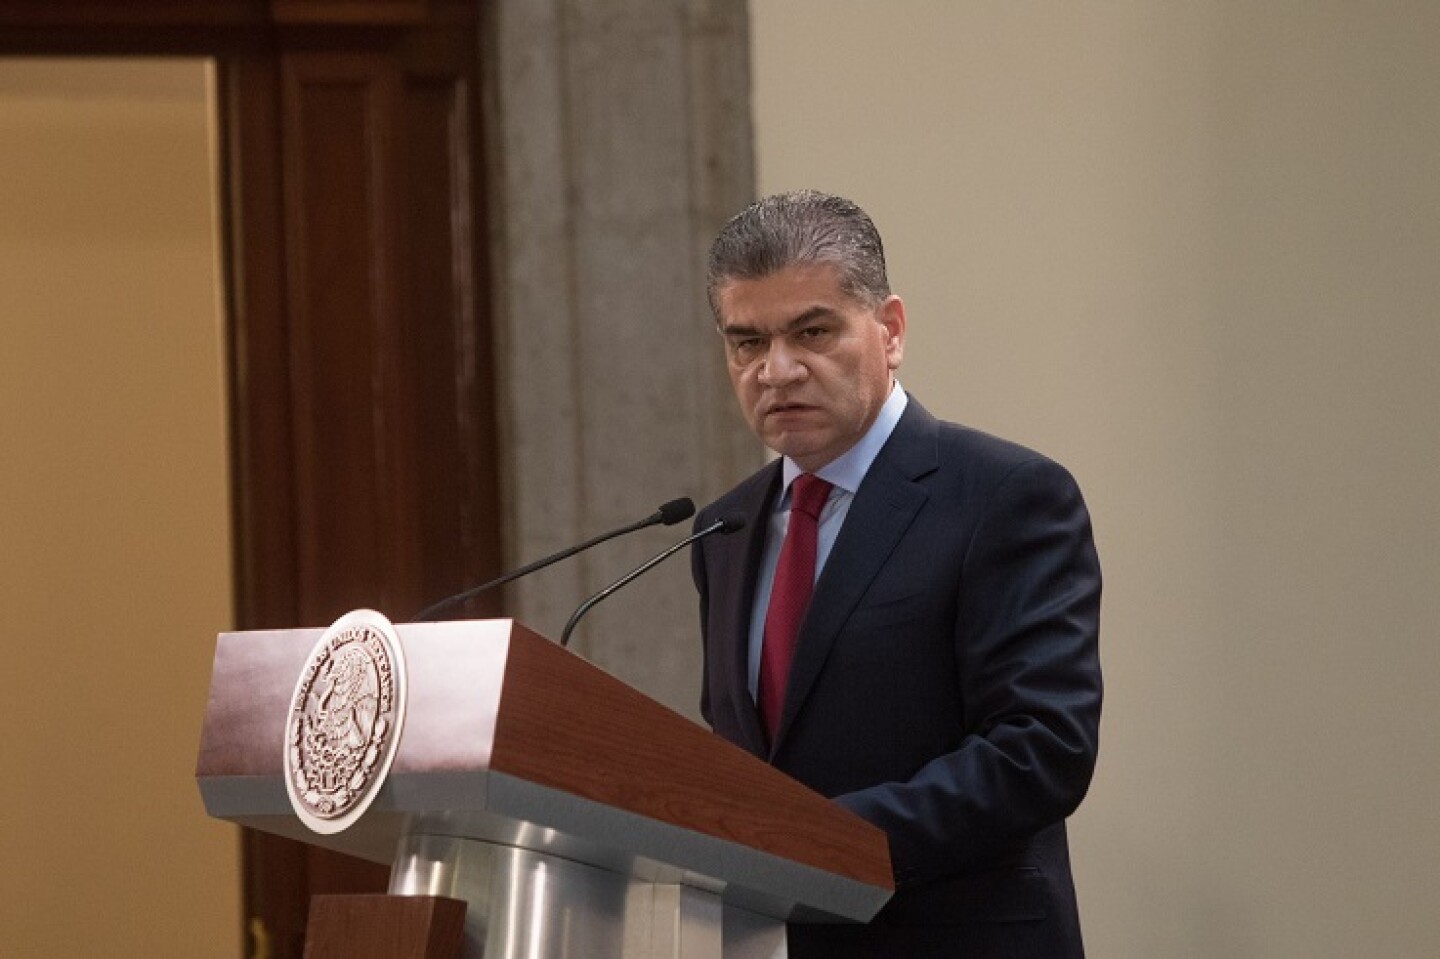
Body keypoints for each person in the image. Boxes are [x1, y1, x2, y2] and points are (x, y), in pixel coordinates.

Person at [691, 190, 1102, 958]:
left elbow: (1041, 748)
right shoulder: (724, 529)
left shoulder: (1004, 496)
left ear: (889, 330)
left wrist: (818, 842)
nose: (776, 370)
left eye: (811, 331)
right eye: (746, 342)